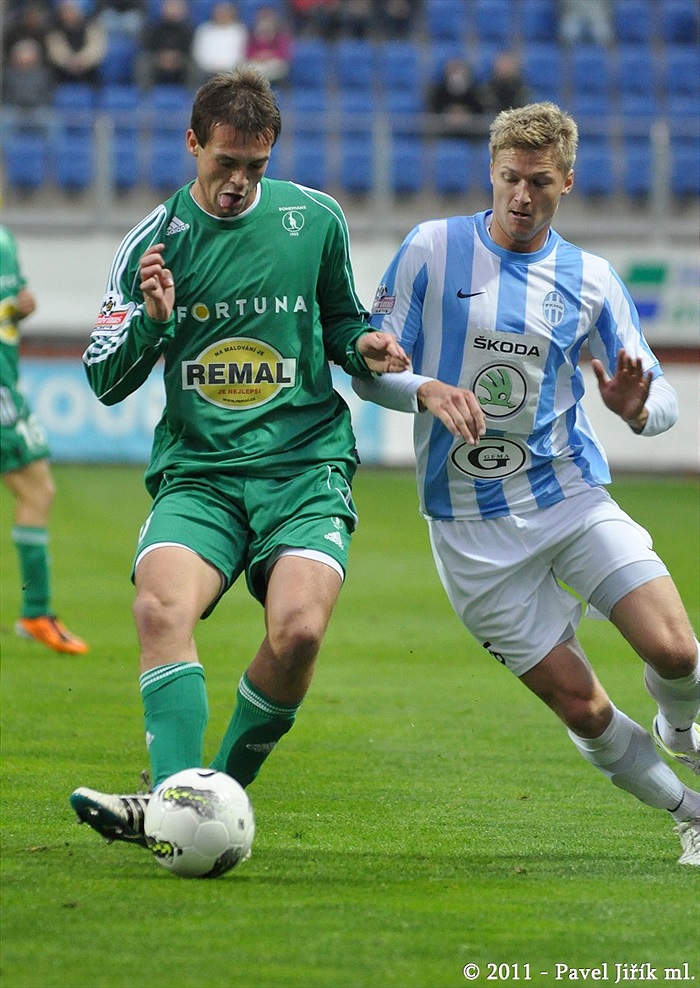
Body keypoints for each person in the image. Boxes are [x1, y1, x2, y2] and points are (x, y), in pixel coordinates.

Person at [352, 102, 700, 866]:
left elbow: (663, 395)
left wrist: (640, 411)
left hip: (568, 495)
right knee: (582, 704)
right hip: (468, 528)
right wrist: (422, 389)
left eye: (539, 181)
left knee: (679, 652)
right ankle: (692, 814)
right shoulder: (429, 250)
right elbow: (369, 369)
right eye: (509, 177)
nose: (520, 194)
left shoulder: (592, 279)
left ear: (565, 182)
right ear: (491, 171)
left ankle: (680, 726)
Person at [69, 68, 408, 846]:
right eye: (224, 162)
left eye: (255, 166)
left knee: (299, 635)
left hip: (304, 469)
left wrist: (365, 345)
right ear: (193, 145)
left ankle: (207, 802)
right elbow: (104, 380)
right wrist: (156, 323)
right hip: (202, 476)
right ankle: (174, 803)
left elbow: (340, 319)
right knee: (160, 606)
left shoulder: (314, 218)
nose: (237, 183)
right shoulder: (153, 244)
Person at [0, 227, 89, 656]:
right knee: (38, 489)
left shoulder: (4, 240)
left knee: (38, 489)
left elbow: (8, 313)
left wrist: (18, 311)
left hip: (7, 384)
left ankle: (36, 612)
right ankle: (35, 612)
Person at [45, 0, 106, 86]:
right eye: (65, 11)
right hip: (63, 72)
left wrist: (82, 60)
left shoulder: (91, 26)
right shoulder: (55, 29)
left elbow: (96, 49)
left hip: (88, 70)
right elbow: (55, 51)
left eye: (71, 11)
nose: (69, 14)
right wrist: (68, 61)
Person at [191, 2, 248, 85]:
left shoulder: (239, 31)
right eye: (220, 12)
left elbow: (241, 54)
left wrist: (225, 68)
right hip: (206, 71)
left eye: (226, 12)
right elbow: (198, 53)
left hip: (231, 71)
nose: (223, 15)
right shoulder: (204, 30)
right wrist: (211, 67)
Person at [427, 57, 486, 137]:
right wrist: (448, 113)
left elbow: (481, 110)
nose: (456, 74)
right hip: (444, 135)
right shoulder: (439, 91)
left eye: (458, 70)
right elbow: (433, 111)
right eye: (453, 70)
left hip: (471, 136)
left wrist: (467, 114)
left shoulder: (474, 91)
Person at [141, 0, 193, 87]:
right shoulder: (155, 28)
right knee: (143, 63)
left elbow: (189, 47)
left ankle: (192, 95)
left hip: (180, 60)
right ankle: (145, 97)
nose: (172, 11)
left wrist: (176, 57)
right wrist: (161, 57)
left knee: (193, 66)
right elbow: (149, 45)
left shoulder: (188, 29)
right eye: (170, 8)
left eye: (176, 8)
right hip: (158, 59)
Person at [244, 4, 292, 88]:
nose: (265, 20)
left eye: (267, 17)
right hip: (257, 64)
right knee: (249, 68)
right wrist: (259, 56)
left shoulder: (281, 36)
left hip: (274, 64)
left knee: (278, 66)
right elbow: (248, 53)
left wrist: (269, 56)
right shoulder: (251, 35)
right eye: (262, 17)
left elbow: (284, 54)